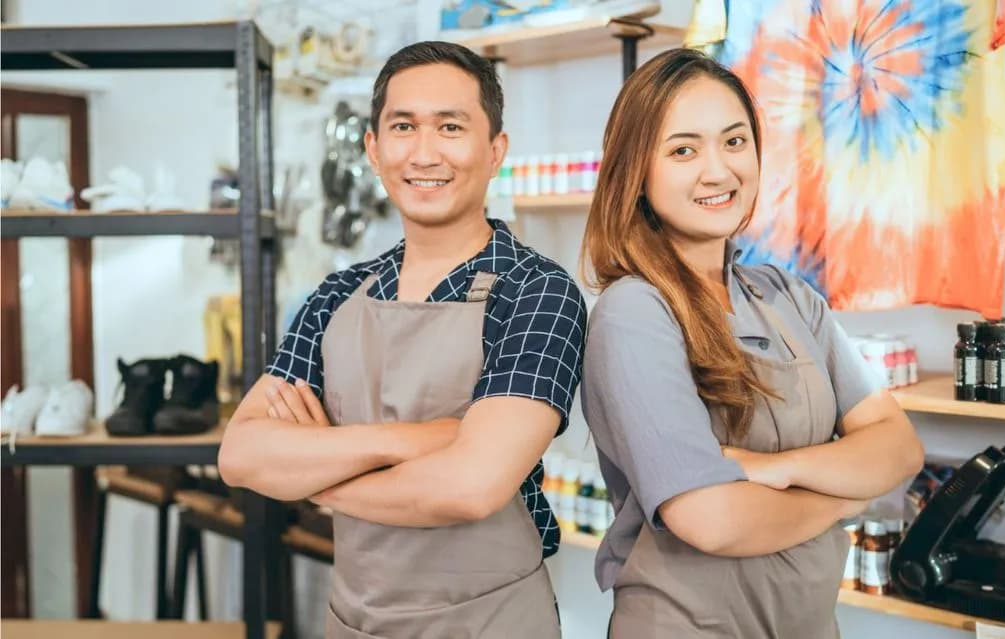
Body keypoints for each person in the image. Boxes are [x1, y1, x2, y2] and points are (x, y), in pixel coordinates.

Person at [218, 41, 586, 639]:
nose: (424, 152)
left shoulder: (537, 292)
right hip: (352, 621)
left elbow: (470, 489)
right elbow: (241, 455)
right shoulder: (336, 296)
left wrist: (316, 473)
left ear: (495, 150)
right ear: (373, 148)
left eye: (450, 127)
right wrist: (419, 439)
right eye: (403, 126)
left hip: (488, 624)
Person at [580, 48, 924, 638]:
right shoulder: (635, 312)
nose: (718, 171)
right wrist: (846, 499)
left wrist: (775, 469)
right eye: (683, 150)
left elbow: (899, 448)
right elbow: (711, 519)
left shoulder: (788, 296)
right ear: (636, 171)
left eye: (734, 141)